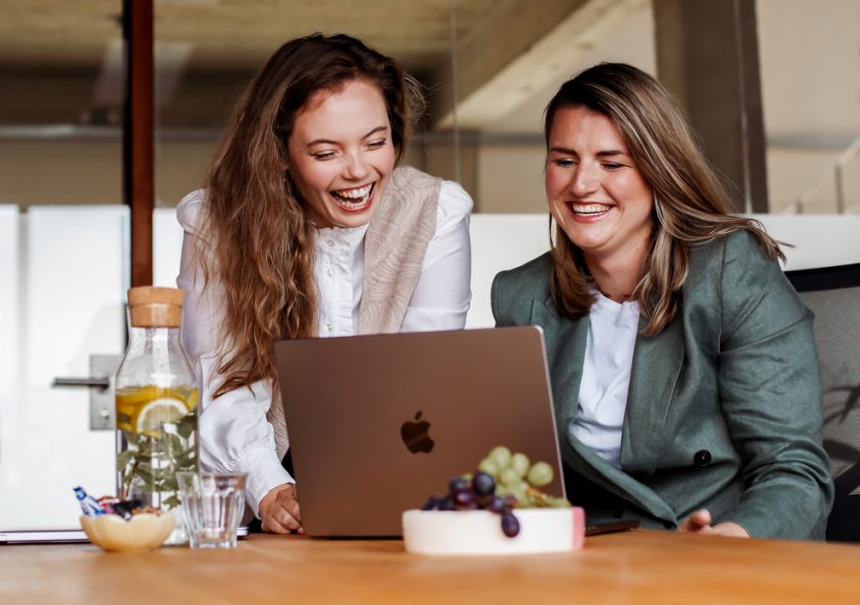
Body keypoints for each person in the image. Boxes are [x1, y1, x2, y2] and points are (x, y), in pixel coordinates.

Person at [492, 63, 833, 539]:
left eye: (612, 163)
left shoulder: (729, 270)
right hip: (583, 560)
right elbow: (521, 471)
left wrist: (735, 539)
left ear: (658, 169)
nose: (581, 185)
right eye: (564, 160)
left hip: (710, 550)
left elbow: (793, 469)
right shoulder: (520, 295)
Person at [177, 33, 473, 534]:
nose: (359, 171)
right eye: (325, 151)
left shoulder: (436, 211)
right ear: (280, 154)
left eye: (376, 142)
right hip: (253, 483)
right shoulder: (216, 222)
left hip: (391, 477)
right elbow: (220, 379)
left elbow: (425, 371)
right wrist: (271, 490)